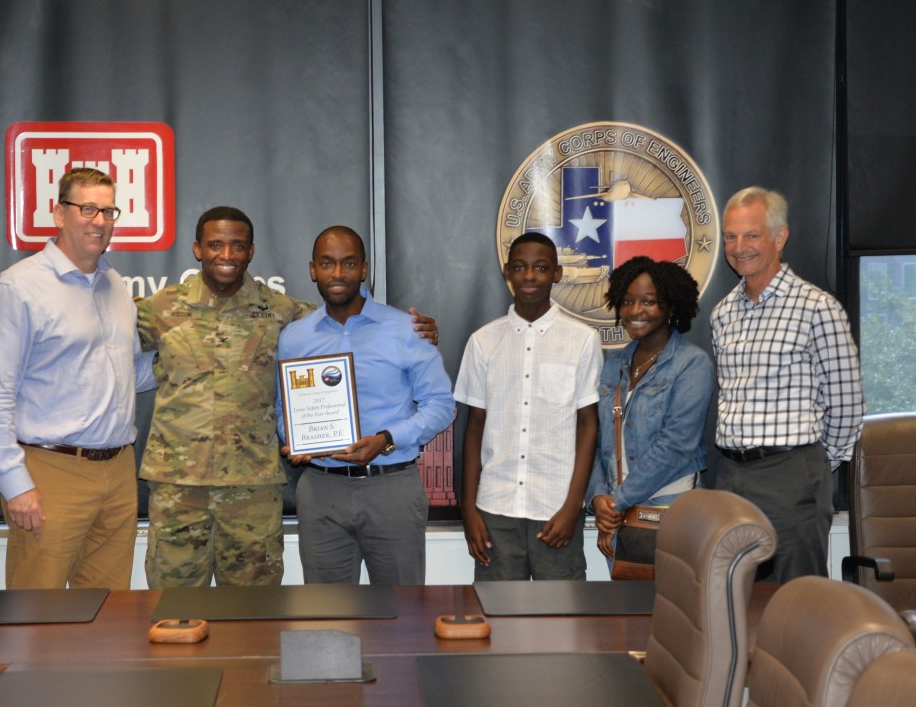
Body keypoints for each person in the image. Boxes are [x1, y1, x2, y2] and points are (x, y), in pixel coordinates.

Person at [137, 209, 438, 588]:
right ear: (197, 249)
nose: (226, 254)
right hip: (177, 489)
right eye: (215, 244)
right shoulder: (157, 308)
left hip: (252, 492)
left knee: (255, 614)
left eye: (238, 245)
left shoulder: (284, 312)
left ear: (251, 252)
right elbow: (101, 340)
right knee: (172, 608)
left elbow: (348, 322)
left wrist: (417, 330)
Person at [0, 168, 155, 589]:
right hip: (51, 472)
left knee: (110, 613)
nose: (100, 220)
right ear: (58, 213)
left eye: (108, 210)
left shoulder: (114, 284)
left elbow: (128, 374)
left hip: (118, 471)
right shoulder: (19, 288)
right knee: (37, 616)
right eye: (87, 208)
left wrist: (185, 358)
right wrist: (15, 485)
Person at [276, 226, 454, 585]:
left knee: (404, 617)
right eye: (327, 264)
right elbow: (283, 408)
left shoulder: (407, 329)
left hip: (391, 488)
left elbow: (441, 405)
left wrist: (386, 439)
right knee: (327, 616)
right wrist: (294, 440)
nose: (338, 273)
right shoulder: (294, 337)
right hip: (321, 489)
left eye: (348, 263)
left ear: (364, 269)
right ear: (313, 270)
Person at [711, 186, 864, 582]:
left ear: (780, 237)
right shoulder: (723, 313)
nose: (739, 246)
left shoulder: (818, 308)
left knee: (797, 601)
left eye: (752, 234)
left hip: (792, 474)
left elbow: (847, 404)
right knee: (734, 597)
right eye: (730, 236)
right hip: (730, 475)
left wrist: (810, 463)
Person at [454, 232, 602, 581]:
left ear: (557, 273)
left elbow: (588, 425)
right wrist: (469, 509)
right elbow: (474, 427)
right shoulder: (483, 341)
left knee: (561, 623)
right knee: (499, 622)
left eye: (540, 267)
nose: (530, 276)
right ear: (507, 272)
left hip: (555, 509)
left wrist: (572, 506)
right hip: (494, 508)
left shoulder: (582, 340)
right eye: (520, 267)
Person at [588, 255, 713, 563]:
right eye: (627, 301)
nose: (635, 311)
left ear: (670, 306)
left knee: (673, 607)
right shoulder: (613, 364)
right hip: (617, 514)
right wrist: (598, 499)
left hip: (669, 508)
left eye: (648, 302)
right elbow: (597, 438)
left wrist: (616, 502)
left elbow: (675, 447)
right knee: (626, 607)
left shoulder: (691, 364)